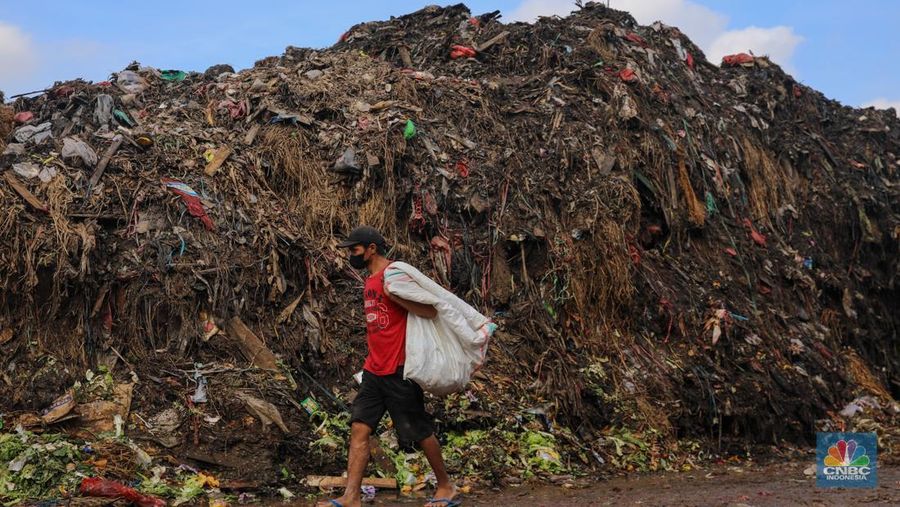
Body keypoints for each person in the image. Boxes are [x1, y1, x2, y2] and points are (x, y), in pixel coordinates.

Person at [318, 226, 460, 507]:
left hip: (399, 370)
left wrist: (397, 297)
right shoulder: (369, 280)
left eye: (355, 250)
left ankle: (446, 485)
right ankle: (351, 496)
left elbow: (431, 310)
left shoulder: (394, 275)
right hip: (373, 370)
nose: (351, 255)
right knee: (359, 428)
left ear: (371, 249)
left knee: (418, 430)